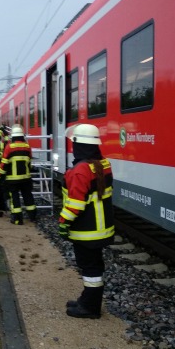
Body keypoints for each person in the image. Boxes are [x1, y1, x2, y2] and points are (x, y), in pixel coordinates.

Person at [58, 123, 115, 319]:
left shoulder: (80, 170)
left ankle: (90, 308)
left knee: (90, 268)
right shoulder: (103, 164)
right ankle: (87, 300)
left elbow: (75, 204)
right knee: (94, 265)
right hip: (101, 228)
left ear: (78, 145)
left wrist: (63, 222)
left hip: (86, 230)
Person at [0, 124, 36, 225]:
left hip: (13, 179)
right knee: (28, 196)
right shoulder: (27, 146)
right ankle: (33, 217)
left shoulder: (9, 147)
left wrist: (0, 176)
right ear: (22, 136)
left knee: (15, 198)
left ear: (13, 137)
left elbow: (4, 163)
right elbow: (29, 162)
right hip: (26, 178)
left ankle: (18, 219)